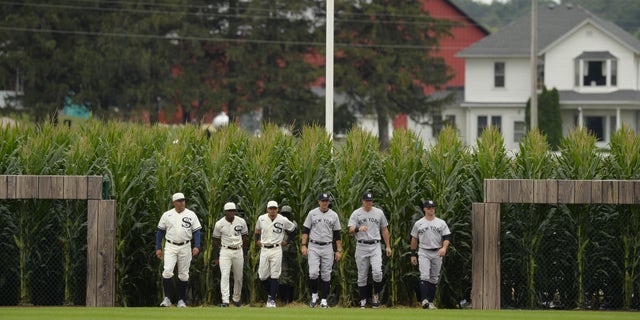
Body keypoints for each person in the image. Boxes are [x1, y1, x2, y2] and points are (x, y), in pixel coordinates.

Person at [155, 193, 202, 308]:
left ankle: (181, 300)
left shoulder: (191, 214)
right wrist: (158, 248)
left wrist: (197, 246)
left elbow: (196, 231)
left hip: (185, 246)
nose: (182, 203)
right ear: (174, 202)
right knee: (167, 271)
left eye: (183, 200)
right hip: (170, 245)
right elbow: (160, 231)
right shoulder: (167, 215)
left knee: (184, 274)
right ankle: (167, 299)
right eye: (179, 201)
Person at [348, 192, 392, 308]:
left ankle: (376, 297)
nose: (369, 203)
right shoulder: (356, 213)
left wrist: (388, 246)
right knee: (362, 275)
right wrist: (358, 228)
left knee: (377, 272)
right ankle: (362, 300)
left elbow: (384, 229)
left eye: (370, 201)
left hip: (375, 245)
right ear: (362, 201)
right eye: (367, 201)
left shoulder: (379, 212)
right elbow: (350, 229)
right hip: (361, 245)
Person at [301, 192, 343, 308]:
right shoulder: (312, 213)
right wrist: (303, 245)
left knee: (326, 274)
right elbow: (305, 230)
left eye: (326, 201)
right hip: (313, 245)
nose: (324, 203)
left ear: (328, 202)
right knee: (313, 273)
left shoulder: (333, 215)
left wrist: (339, 250)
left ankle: (324, 300)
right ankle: (314, 296)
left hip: (327, 246)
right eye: (322, 201)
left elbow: (337, 234)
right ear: (318, 202)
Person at [410, 200, 451, 309]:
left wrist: (444, 248)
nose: (431, 209)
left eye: (433, 207)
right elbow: (414, 239)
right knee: (424, 275)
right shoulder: (419, 223)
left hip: (437, 251)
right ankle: (424, 300)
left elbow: (446, 237)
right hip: (424, 251)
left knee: (434, 278)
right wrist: (413, 254)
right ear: (424, 209)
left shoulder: (441, 223)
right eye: (429, 208)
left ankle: (431, 302)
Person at [255, 200, 296, 308]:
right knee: (262, 276)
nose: (272, 211)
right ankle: (271, 293)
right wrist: (257, 240)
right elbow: (257, 230)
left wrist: (286, 241)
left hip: (276, 249)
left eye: (274, 208)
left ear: (277, 209)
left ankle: (272, 300)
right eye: (270, 208)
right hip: (264, 248)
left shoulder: (282, 219)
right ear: (267, 209)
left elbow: (293, 230)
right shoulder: (261, 218)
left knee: (275, 274)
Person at [213, 202, 249, 307]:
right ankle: (225, 301)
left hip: (238, 250)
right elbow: (215, 241)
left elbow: (245, 238)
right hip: (225, 251)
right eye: (229, 211)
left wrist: (245, 253)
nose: (231, 213)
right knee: (225, 275)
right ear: (225, 212)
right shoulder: (219, 223)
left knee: (239, 277)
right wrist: (216, 257)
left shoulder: (241, 221)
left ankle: (236, 299)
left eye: (233, 211)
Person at [278, 205, 298, 304]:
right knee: (282, 275)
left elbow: (294, 233)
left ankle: (290, 299)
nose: (285, 216)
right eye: (283, 214)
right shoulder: (278, 222)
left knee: (291, 275)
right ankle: (282, 299)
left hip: (291, 251)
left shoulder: (293, 223)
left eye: (287, 214)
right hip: (279, 251)